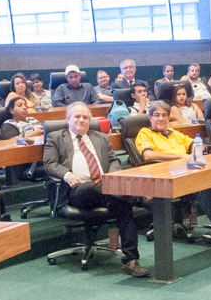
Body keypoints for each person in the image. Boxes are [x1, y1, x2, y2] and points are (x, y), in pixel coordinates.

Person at [42, 102, 149, 278]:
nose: (81, 120)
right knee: (95, 187)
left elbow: (114, 160)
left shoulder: (100, 137)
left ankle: (130, 261)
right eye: (77, 116)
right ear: (68, 118)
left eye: (85, 117)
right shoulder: (55, 137)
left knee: (123, 205)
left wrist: (111, 176)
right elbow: (49, 163)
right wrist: (67, 174)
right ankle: (141, 199)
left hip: (104, 189)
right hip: (76, 191)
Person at [136, 101, 211, 243]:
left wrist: (195, 149)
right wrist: (182, 157)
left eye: (164, 115)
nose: (161, 118)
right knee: (201, 187)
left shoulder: (173, 133)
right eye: (156, 115)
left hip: (189, 174)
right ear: (150, 118)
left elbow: (195, 142)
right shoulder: (145, 133)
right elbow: (148, 155)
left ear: (169, 118)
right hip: (166, 179)